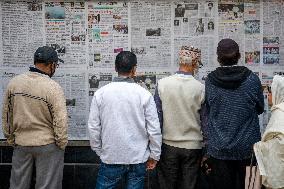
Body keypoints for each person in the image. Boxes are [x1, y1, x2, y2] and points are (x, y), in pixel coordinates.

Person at [88, 51, 162, 189]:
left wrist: (99, 150)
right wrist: (155, 154)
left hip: (111, 156)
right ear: (134, 69)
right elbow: (154, 128)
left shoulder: (101, 93)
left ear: (115, 68)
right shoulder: (144, 94)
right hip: (138, 158)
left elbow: (93, 127)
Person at [2, 46, 68, 189]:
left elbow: (7, 115)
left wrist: (11, 138)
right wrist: (61, 144)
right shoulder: (53, 87)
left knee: (18, 185)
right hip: (48, 145)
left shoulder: (15, 83)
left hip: (21, 144)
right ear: (51, 65)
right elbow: (60, 120)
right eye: (55, 65)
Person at [202, 38, 264, 189]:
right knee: (250, 186)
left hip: (219, 149)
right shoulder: (252, 79)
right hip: (248, 148)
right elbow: (260, 108)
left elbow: (209, 110)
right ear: (239, 56)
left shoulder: (210, 81)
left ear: (218, 58)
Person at [155, 46, 204, 189]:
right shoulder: (201, 88)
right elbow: (205, 121)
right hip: (193, 147)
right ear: (195, 64)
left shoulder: (163, 84)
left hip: (168, 145)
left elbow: (157, 118)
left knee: (166, 185)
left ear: (180, 61)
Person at [254, 75, 284, 189]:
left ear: (278, 93)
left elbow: (280, 144)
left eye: (270, 92)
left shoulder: (280, 113)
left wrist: (260, 146)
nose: (268, 96)